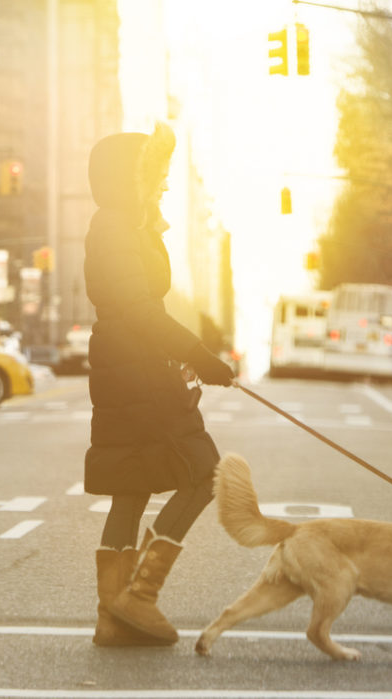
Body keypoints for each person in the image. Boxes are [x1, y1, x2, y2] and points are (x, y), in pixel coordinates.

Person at [82, 122, 235, 647]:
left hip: (133, 366)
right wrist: (198, 356)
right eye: (157, 175)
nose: (165, 185)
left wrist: (182, 359)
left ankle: (113, 619)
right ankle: (137, 597)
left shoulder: (127, 226)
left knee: (132, 485)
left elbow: (142, 309)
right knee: (203, 471)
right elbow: (139, 308)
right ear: (131, 179)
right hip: (135, 371)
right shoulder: (116, 229)